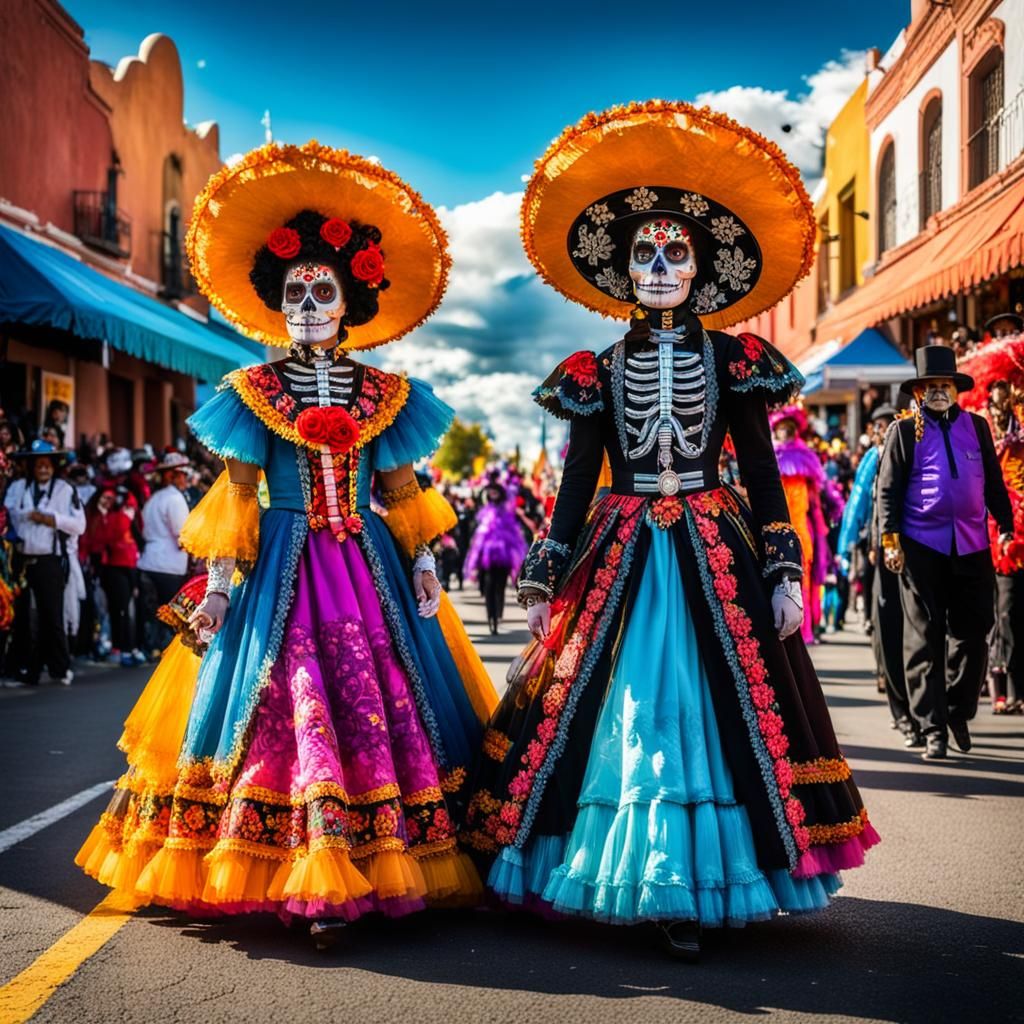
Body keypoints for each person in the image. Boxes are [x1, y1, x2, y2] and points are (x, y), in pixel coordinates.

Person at [460, 101, 878, 961]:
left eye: (674, 253)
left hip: (710, 543)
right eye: (644, 254)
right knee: (623, 709)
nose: (658, 265)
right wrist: (543, 578)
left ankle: (700, 880)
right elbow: (578, 482)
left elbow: (761, 474)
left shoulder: (735, 360)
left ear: (699, 268)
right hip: (619, 550)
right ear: (624, 272)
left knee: (710, 709)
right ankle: (642, 877)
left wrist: (784, 569)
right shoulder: (595, 370)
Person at [77, 141, 497, 948]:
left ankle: (373, 856)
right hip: (281, 568)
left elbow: (403, 492)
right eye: (296, 290)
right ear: (279, 300)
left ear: (349, 301)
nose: (308, 301)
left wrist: (421, 560)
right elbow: (236, 493)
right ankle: (297, 860)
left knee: (382, 704)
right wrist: (224, 585)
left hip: (367, 562)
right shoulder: (249, 393)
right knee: (291, 695)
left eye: (323, 289)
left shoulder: (388, 395)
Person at [877, 345, 1014, 760]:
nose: (938, 391)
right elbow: (888, 490)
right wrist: (889, 539)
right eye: (931, 386)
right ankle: (932, 726)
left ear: (955, 390)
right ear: (919, 392)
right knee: (924, 639)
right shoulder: (901, 432)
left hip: (972, 545)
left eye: (945, 385)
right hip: (921, 547)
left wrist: (1006, 524)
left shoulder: (977, 427)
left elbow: (992, 480)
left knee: (975, 633)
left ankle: (958, 710)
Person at [4, 439, 85, 685]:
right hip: (20, 560)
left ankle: (60, 668)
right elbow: (8, 515)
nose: (42, 468)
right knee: (20, 618)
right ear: (30, 466)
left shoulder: (65, 489)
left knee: (52, 615)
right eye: (38, 464)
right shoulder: (17, 487)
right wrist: (26, 516)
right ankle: (23, 670)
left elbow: (78, 525)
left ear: (53, 465)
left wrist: (51, 519)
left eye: (46, 464)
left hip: (50, 560)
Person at [771, 405, 830, 644]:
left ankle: (802, 630)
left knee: (800, 580)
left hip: (801, 530)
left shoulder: (805, 456)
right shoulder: (770, 455)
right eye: (780, 428)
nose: (784, 433)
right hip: (774, 529)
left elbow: (815, 500)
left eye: (788, 428)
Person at [138, 450, 192, 652]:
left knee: (152, 612)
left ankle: (150, 648)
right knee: (169, 613)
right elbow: (182, 536)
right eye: (182, 475)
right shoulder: (175, 499)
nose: (185, 479)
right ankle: (166, 650)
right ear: (173, 475)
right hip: (168, 566)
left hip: (148, 561)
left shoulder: (153, 499)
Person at [84, 485, 144, 667]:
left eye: (112, 498)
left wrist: (125, 492)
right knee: (119, 610)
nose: (108, 501)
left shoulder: (120, 515)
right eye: (105, 498)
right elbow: (99, 540)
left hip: (129, 566)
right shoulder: (99, 518)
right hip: (111, 568)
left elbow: (131, 510)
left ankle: (129, 647)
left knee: (126, 609)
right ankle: (121, 648)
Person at [463, 476, 528, 634]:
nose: (492, 494)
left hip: (504, 556)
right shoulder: (483, 513)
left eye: (495, 492)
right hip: (487, 557)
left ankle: (497, 615)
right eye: (490, 492)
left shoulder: (508, 512)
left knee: (499, 587)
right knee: (489, 587)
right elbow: (477, 537)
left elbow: (515, 536)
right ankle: (491, 618)